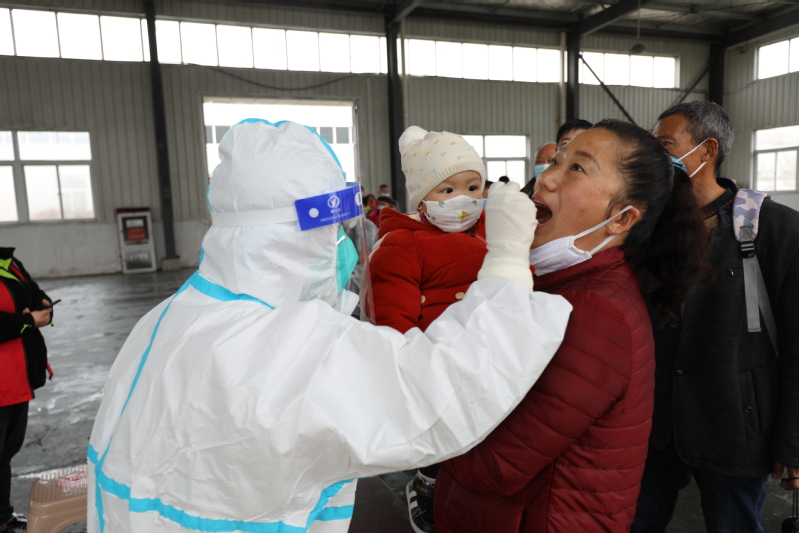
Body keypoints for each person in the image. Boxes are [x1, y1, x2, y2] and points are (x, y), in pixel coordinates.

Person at [87, 119, 573, 533]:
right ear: (295, 237)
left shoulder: (169, 318)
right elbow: (439, 394)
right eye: (332, 234)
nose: (342, 249)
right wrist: (507, 261)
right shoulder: (286, 346)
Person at [435, 119, 709, 532]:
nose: (545, 179)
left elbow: (494, 466)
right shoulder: (551, 281)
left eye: (577, 168)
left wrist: (418, 398)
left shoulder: (595, 312)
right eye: (556, 162)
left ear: (621, 219)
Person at [632, 101, 799, 533]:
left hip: (735, 427)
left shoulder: (773, 229)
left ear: (707, 150)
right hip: (655, 425)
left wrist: (792, 440)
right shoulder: (645, 227)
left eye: (665, 145)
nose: (655, 155)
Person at [369, 126, 490, 533]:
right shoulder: (403, 244)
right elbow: (394, 320)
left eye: (473, 187)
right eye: (447, 190)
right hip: (436, 364)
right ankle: (426, 483)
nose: (464, 199)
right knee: (443, 439)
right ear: (421, 199)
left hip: (488, 355)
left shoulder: (493, 229)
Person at [1, 249, 53, 533]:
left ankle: (2, 518)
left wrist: (42, 306)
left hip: (15, 381)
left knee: (4, 454)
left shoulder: (9, 262)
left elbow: (31, 292)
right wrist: (28, 321)